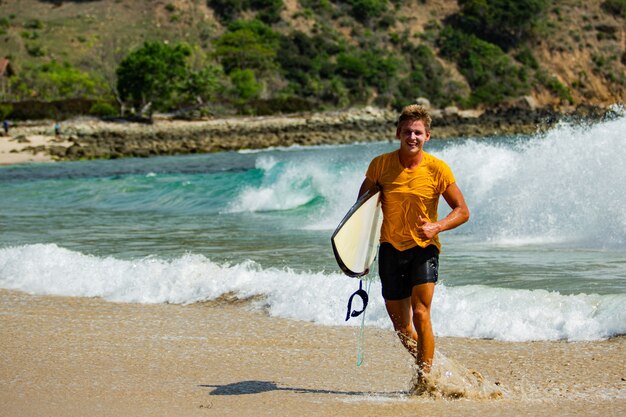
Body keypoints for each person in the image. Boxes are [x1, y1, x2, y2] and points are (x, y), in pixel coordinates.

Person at [357, 104, 469, 379]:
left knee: (421, 313)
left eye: (418, 132)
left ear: (427, 136)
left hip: (424, 248)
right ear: (398, 133)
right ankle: (435, 364)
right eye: (407, 131)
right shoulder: (380, 165)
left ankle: (425, 379)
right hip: (390, 249)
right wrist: (358, 257)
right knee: (401, 327)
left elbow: (462, 211)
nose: (412, 137)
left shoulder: (438, 169)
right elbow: (361, 211)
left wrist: (438, 226)